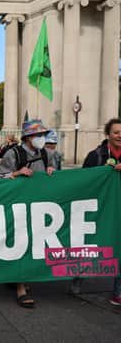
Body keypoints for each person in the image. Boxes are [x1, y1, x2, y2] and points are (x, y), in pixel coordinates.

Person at [0, 119, 56, 308]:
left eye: (43, 135)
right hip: (17, 206)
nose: (42, 138)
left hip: (38, 206)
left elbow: (54, 175)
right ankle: (20, 287)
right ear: (28, 137)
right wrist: (16, 174)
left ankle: (16, 277)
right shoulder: (13, 154)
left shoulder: (47, 154)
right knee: (21, 243)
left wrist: (51, 171)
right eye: (38, 135)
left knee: (33, 242)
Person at [73, 118, 121, 307]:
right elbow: (84, 180)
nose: (120, 135)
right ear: (108, 134)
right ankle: (79, 275)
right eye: (116, 132)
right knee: (92, 244)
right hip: (99, 210)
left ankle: (118, 291)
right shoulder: (96, 155)